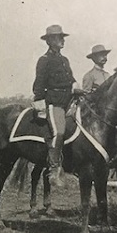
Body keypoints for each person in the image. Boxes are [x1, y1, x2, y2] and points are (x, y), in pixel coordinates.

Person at [32, 25, 83, 187]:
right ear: (50, 41)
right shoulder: (44, 60)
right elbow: (39, 84)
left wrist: (75, 85)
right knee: (59, 132)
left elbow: (71, 78)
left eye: (62, 37)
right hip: (54, 102)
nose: (62, 40)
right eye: (58, 38)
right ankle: (54, 169)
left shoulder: (64, 60)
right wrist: (40, 103)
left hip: (70, 100)